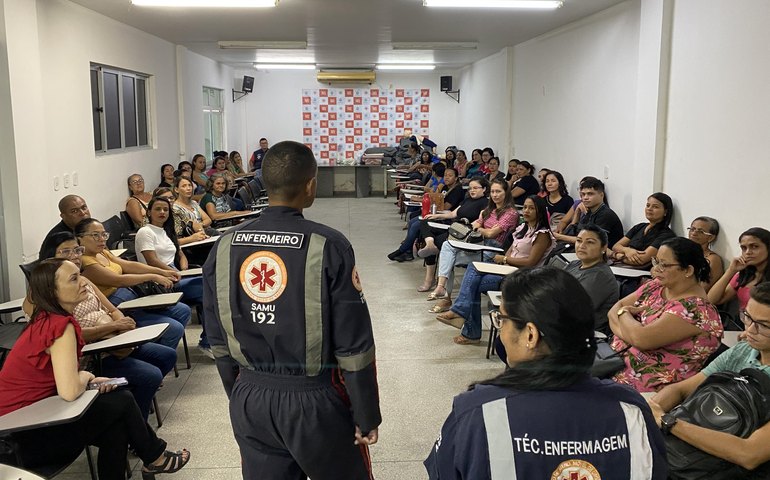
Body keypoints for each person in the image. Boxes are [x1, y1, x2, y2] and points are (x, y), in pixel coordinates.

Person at [203, 140, 381, 479]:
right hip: (315, 400)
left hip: (249, 397)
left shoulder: (224, 246)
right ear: (311, 186)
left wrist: (239, 393)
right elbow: (354, 345)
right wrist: (366, 412)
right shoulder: (328, 245)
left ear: (264, 183)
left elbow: (217, 339)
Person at [425, 267, 667, 479]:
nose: (501, 332)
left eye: (502, 320)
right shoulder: (632, 410)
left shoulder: (477, 413)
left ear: (530, 334)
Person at [0, 258, 190, 480]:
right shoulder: (59, 326)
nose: (83, 282)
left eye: (80, 275)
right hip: (19, 437)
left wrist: (89, 383)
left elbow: (54, 379)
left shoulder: (47, 318)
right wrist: (86, 375)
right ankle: (154, 456)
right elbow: (70, 391)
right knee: (122, 402)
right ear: (53, 290)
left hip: (32, 419)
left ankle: (153, 456)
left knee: (116, 420)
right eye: (73, 279)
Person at [27, 232, 177, 420]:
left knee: (167, 355)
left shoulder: (84, 280)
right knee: (150, 375)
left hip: (113, 339)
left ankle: (138, 408)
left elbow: (112, 309)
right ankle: (136, 420)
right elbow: (70, 335)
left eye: (77, 250)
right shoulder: (44, 295)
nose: (74, 256)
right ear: (50, 257)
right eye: (66, 251)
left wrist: (122, 326)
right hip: (93, 355)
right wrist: (109, 328)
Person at [648, 282, 770, 473]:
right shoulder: (742, 351)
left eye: (763, 325)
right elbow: (681, 389)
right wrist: (653, 410)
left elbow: (749, 454)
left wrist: (668, 422)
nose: (750, 330)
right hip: (694, 452)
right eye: (748, 317)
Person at [609, 237, 723, 392]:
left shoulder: (695, 309)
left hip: (646, 388)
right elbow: (613, 311)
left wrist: (624, 315)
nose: (656, 269)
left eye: (664, 265)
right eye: (656, 262)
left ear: (688, 270)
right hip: (611, 363)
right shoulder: (656, 286)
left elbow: (641, 339)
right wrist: (630, 332)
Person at [436, 195, 554, 345]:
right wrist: (504, 262)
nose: (527, 211)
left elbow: (531, 262)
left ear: (540, 212)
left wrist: (504, 260)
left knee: (472, 283)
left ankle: (466, 323)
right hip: (507, 271)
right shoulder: (523, 228)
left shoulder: (542, 234)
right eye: (525, 207)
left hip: (523, 278)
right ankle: (462, 315)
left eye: (532, 208)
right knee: (473, 274)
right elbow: (511, 251)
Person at [76, 218, 191, 350]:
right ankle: (151, 354)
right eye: (95, 235)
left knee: (183, 311)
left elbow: (128, 265)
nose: (102, 239)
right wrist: (153, 276)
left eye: (104, 234)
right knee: (174, 328)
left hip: (133, 297)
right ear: (79, 238)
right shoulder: (85, 262)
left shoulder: (102, 252)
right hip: (119, 305)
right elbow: (118, 280)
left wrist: (162, 271)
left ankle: (159, 351)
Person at [135, 196, 211, 358]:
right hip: (159, 280)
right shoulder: (145, 232)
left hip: (174, 273)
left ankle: (211, 340)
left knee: (210, 287)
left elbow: (178, 252)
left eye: (165, 209)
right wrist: (172, 272)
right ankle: (209, 341)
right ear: (148, 212)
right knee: (208, 289)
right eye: (158, 209)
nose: (162, 212)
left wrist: (183, 265)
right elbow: (152, 260)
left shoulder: (166, 231)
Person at [426, 179, 518, 304]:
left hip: (492, 250)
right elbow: (473, 225)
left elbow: (491, 233)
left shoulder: (510, 213)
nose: (495, 195)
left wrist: (479, 228)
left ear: (506, 193)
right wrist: (477, 227)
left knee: (448, 258)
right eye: (493, 192)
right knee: (447, 247)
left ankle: (445, 297)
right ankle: (441, 288)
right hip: (478, 244)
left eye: (498, 191)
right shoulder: (488, 210)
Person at [413, 177, 489, 298]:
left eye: (476, 188)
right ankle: (430, 243)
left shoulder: (485, 203)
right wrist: (435, 216)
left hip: (463, 232)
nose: (472, 190)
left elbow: (479, 222)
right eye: (470, 188)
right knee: (424, 221)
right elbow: (453, 214)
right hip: (454, 227)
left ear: (484, 189)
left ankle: (429, 279)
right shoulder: (467, 200)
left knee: (436, 243)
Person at [387, 167, 464, 265]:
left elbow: (445, 206)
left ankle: (402, 250)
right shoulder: (445, 187)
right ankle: (408, 251)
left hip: (447, 218)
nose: (446, 178)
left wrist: (433, 204)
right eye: (445, 175)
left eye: (450, 175)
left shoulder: (457, 190)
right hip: (437, 213)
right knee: (412, 221)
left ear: (456, 178)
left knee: (416, 225)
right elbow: (437, 200)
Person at [566, 225, 619, 333]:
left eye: (590, 242)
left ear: (604, 248)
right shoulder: (574, 264)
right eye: (579, 241)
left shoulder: (601, 276)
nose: (582, 246)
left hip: (581, 332)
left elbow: (575, 310)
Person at [708, 227, 770, 311]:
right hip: (744, 322)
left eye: (754, 246)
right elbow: (711, 300)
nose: (748, 252)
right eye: (744, 248)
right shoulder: (744, 276)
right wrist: (731, 271)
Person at [553, 176, 624, 248]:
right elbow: (574, 233)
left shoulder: (606, 214)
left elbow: (587, 241)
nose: (585, 198)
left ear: (601, 195)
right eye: (583, 194)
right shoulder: (589, 211)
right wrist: (577, 212)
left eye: (590, 194)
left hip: (601, 255)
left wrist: (559, 237)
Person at [610, 192, 676, 267]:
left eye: (655, 207)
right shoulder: (639, 226)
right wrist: (627, 250)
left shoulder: (666, 235)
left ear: (665, 212)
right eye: (648, 205)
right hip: (619, 266)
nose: (649, 209)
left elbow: (641, 259)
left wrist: (618, 256)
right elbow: (616, 246)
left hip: (640, 273)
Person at [686, 216, 724, 292]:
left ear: (711, 238)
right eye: (692, 229)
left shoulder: (713, 259)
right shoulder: (682, 253)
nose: (693, 233)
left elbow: (703, 288)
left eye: (700, 231)